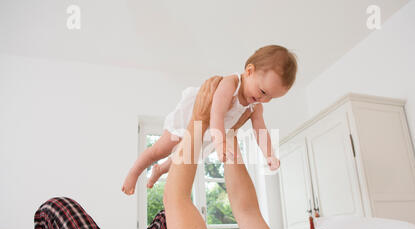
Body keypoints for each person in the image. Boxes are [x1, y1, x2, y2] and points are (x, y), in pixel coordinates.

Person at [32, 76, 390, 229]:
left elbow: (177, 200)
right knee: (165, 222)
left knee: (54, 209)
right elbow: (246, 210)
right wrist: (228, 134)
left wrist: (199, 120)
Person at [121, 45, 297, 194]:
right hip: (193, 119)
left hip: (210, 132)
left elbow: (261, 130)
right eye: (263, 92)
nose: (263, 100)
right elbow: (217, 114)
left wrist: (270, 154)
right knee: (160, 149)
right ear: (249, 71)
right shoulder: (230, 84)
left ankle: (159, 169)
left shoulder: (256, 105)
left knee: (184, 159)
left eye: (271, 98)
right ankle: (135, 172)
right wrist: (220, 143)